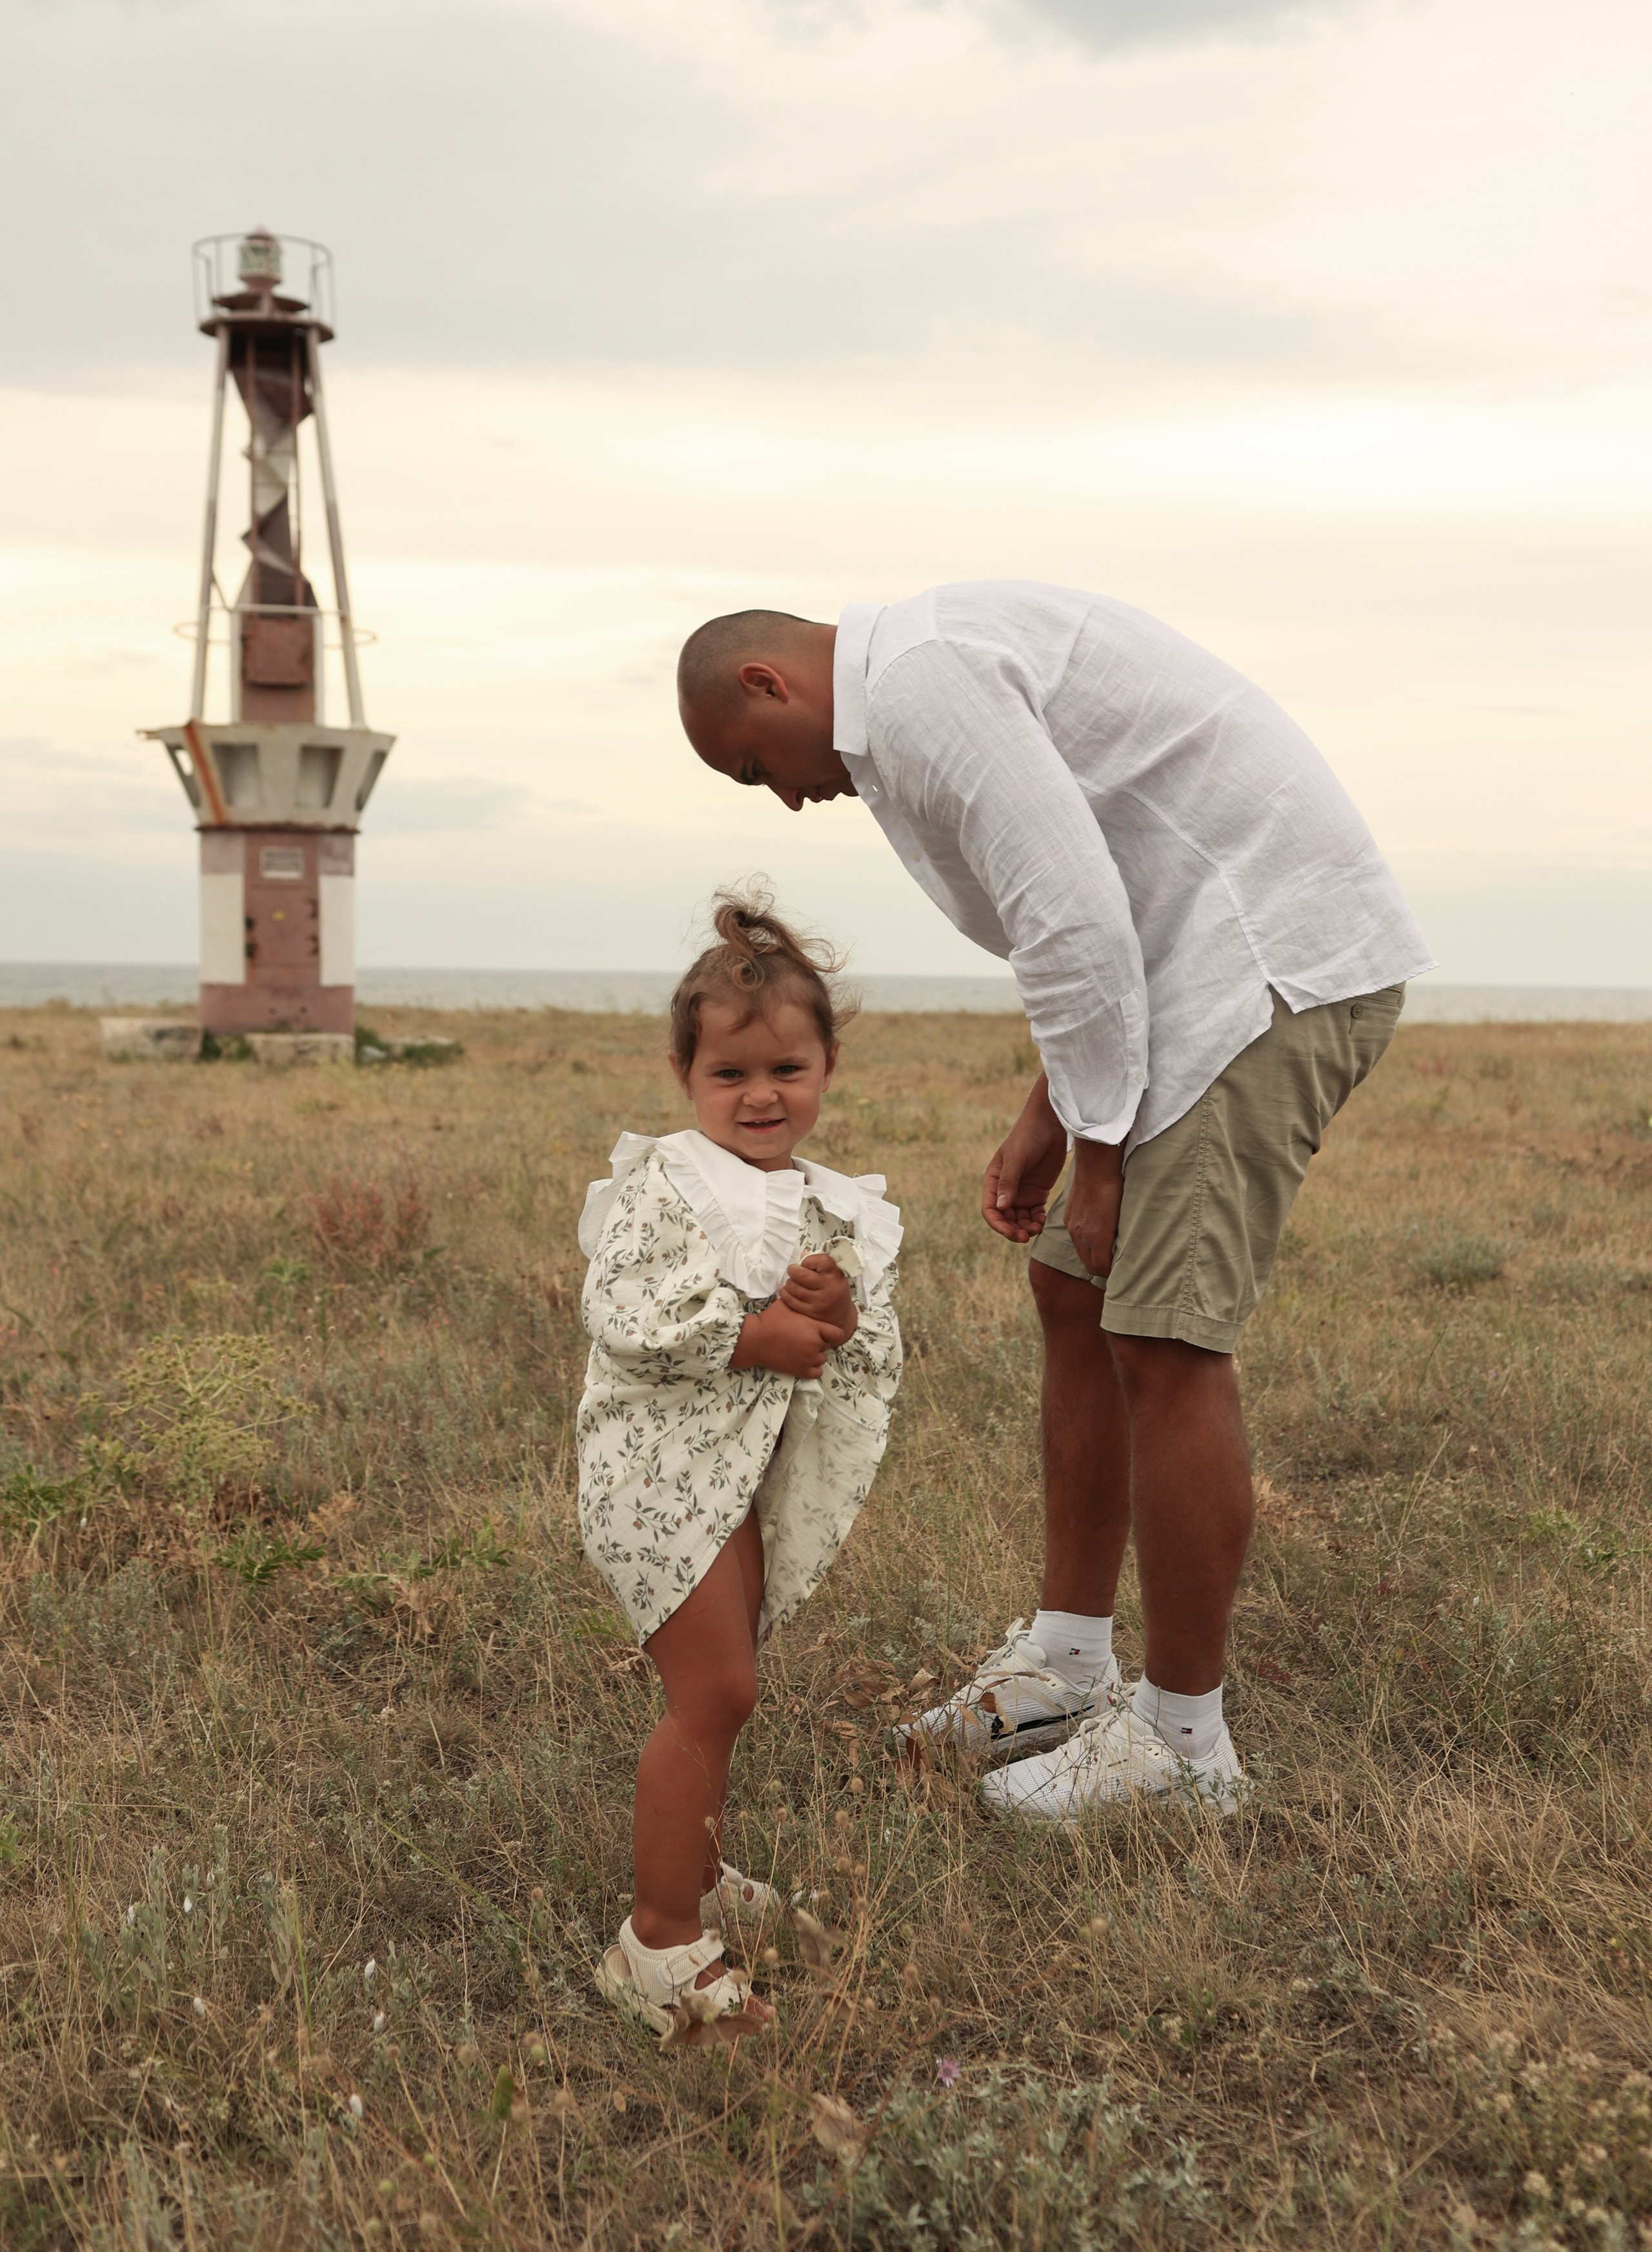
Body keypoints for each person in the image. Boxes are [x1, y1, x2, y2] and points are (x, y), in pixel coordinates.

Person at [677, 581, 1431, 1820]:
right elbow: (1096, 903)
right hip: (1192, 969)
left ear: (770, 684)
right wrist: (1054, 1113)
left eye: (756, 768)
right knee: (1073, 1292)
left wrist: (1103, 1155)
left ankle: (1183, 1749)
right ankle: (1069, 1668)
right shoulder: (911, 686)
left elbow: (1074, 913)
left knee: (1163, 1336)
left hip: (1264, 968)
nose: (787, 800)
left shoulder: (919, 684)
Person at [578, 894, 903, 2035]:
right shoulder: (665, 1183)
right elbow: (622, 1313)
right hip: (654, 1480)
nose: (761, 1096)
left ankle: (701, 1871)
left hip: (735, 1481)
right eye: (730, 1075)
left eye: (786, 1070)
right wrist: (752, 1333)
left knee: (728, 1687)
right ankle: (659, 1941)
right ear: (685, 1074)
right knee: (713, 1692)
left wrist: (834, 1311)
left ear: (826, 1067)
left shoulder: (827, 1202)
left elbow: (858, 1339)